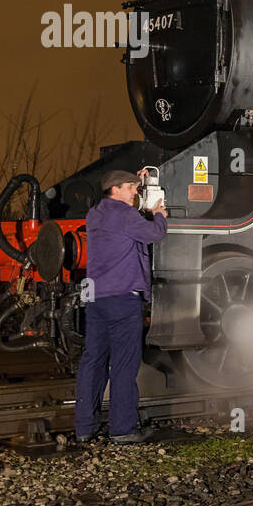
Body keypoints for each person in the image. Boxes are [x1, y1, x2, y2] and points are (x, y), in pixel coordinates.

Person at [74, 169, 167, 444]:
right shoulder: (125, 215)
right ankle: (123, 429)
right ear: (115, 189)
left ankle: (84, 428)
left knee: (94, 361)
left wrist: (140, 177)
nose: (135, 193)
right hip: (123, 297)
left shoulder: (95, 214)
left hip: (96, 298)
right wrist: (159, 214)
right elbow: (154, 234)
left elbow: (127, 228)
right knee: (124, 365)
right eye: (131, 188)